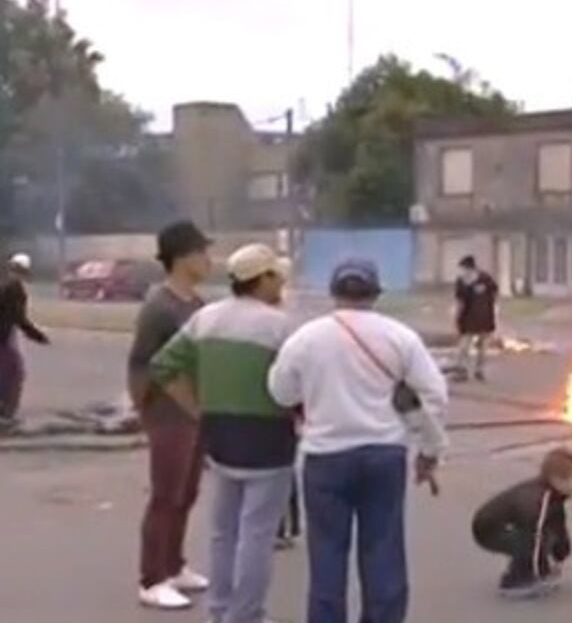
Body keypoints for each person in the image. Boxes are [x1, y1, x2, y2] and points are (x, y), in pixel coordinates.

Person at [268, 258, 449, 623]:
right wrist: (428, 451)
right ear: (375, 293)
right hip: (384, 454)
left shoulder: (306, 338)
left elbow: (281, 393)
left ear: (334, 293)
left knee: (327, 557)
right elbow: (435, 396)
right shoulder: (400, 337)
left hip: (324, 456)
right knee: (383, 550)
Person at [152, 243, 296, 623]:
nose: (280, 282)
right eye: (276, 276)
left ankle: (219, 610)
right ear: (262, 279)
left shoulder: (204, 319)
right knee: (257, 536)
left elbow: (162, 366)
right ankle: (246, 615)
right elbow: (297, 383)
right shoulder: (280, 326)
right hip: (269, 439)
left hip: (219, 436)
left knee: (223, 533)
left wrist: (196, 408)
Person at [128, 220, 212, 610]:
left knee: (187, 492)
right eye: (202, 252)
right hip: (167, 412)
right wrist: (149, 409)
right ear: (181, 257)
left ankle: (174, 565)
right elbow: (144, 364)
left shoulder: (196, 304)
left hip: (196, 410)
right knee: (165, 495)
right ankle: (152, 578)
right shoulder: (158, 306)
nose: (208, 260)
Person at [472, 448, 572, 598]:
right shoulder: (539, 499)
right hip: (488, 530)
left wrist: (560, 557)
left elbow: (558, 526)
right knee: (536, 539)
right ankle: (514, 582)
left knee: (543, 535)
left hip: (511, 526)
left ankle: (528, 569)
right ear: (555, 479)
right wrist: (539, 573)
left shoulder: (554, 498)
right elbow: (535, 536)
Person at [0, 253, 50, 428]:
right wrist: (38, 336)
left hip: (4, 336)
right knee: (14, 373)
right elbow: (19, 319)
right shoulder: (14, 289)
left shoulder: (5, 285)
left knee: (8, 372)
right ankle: (6, 414)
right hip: (2, 338)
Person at [453, 255, 498, 382]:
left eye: (463, 268)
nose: (462, 272)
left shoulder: (481, 279)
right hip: (476, 317)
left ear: (469, 268)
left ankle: (471, 370)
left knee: (476, 344)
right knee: (471, 345)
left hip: (479, 317)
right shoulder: (466, 281)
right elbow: (460, 302)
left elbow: (494, 292)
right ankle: (469, 370)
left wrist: (456, 318)